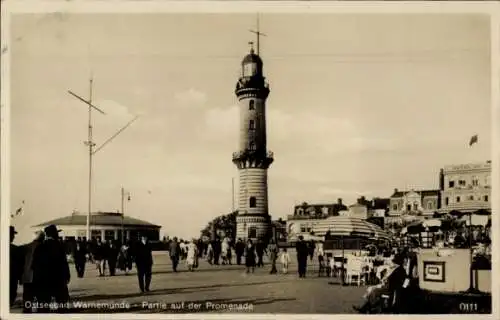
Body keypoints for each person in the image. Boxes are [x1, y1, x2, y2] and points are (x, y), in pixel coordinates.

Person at [32, 225, 71, 313]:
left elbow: (35, 265)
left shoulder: (40, 247)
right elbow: (64, 263)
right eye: (56, 232)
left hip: (44, 280)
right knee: (62, 304)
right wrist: (67, 276)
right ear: (53, 234)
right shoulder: (59, 246)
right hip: (59, 279)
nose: (57, 234)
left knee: (44, 305)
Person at [21, 231, 45, 313]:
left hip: (27, 278)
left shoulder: (25, 247)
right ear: (43, 238)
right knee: (41, 301)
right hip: (40, 278)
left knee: (27, 301)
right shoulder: (45, 248)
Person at [10, 226, 23, 307]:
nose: (14, 237)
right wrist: (20, 277)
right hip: (12, 278)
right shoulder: (15, 249)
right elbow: (20, 264)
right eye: (12, 235)